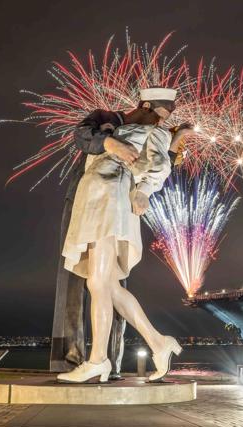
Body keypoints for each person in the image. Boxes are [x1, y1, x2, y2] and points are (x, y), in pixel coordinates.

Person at [57, 87, 192, 383]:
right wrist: (110, 143)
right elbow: (83, 136)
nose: (161, 120)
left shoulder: (153, 133)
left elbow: (158, 167)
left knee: (97, 281)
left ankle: (98, 360)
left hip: (112, 200)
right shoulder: (108, 122)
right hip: (90, 202)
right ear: (145, 104)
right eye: (160, 113)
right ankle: (158, 342)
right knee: (107, 285)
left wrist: (142, 190)